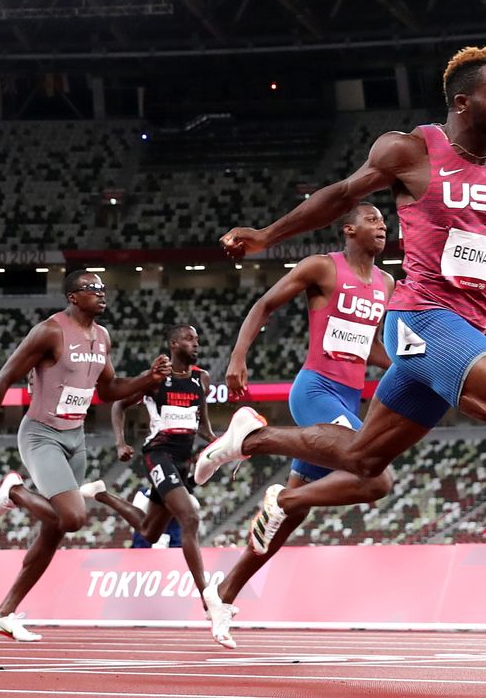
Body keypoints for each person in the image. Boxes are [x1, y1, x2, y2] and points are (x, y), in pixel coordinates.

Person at [201, 47, 486, 625]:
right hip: (419, 318)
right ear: (462, 102)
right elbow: (340, 195)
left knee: (363, 458)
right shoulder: (409, 150)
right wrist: (267, 236)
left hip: (462, 328)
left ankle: (250, 439)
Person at [202, 203, 399, 648]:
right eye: (372, 219)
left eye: (385, 221)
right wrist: (237, 358)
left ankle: (225, 591)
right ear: (349, 229)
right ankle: (252, 442)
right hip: (315, 391)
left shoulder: (386, 284)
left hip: (349, 395)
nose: (382, 225)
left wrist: (414, 367)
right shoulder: (321, 268)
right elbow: (264, 304)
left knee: (290, 517)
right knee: (378, 476)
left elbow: (367, 346)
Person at [0, 271, 169, 642]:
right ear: (73, 297)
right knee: (73, 518)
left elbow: (109, 391)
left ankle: (4, 613)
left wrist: (147, 380)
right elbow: (3, 379)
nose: (102, 294)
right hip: (41, 435)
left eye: (104, 288)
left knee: (52, 535)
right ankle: (13, 493)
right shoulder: (50, 332)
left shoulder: (102, 337)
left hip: (76, 439)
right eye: (93, 289)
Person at [81, 324, 225, 643]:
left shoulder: (201, 379)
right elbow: (117, 404)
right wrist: (120, 443)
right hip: (158, 455)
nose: (196, 344)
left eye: (198, 340)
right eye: (189, 339)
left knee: (150, 531)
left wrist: (218, 442)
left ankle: (103, 494)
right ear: (173, 344)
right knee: (190, 517)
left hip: (184, 461)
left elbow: (201, 423)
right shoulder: (156, 378)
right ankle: (209, 600)